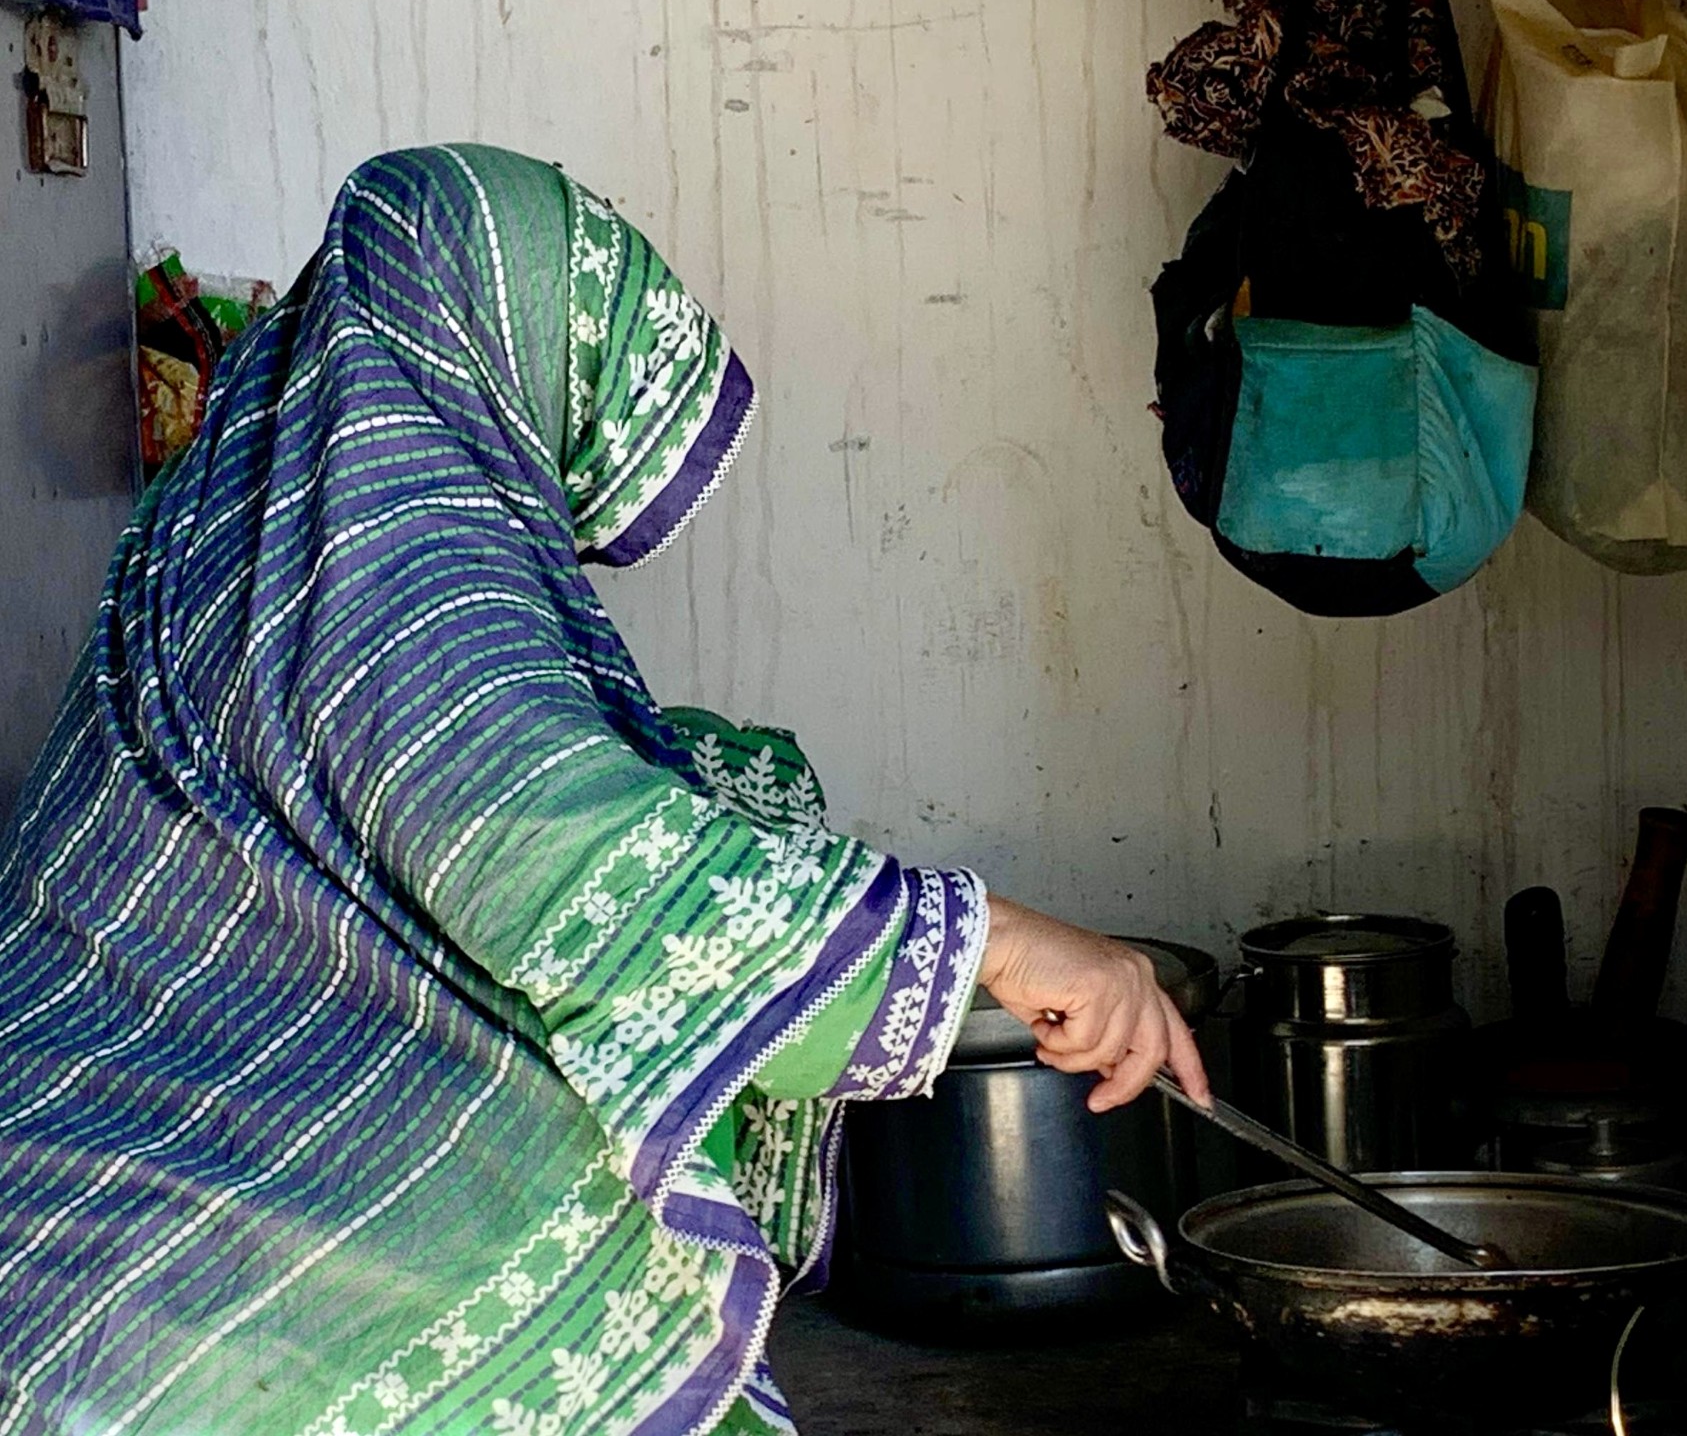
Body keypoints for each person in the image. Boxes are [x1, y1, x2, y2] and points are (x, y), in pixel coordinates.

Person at [0, 145, 1209, 1436]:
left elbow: (388, 798)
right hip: (218, 1338)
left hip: (73, 1255)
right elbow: (553, 849)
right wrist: (1006, 944)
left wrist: (752, 819)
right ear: (476, 353)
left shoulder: (221, 544)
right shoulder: (396, 573)